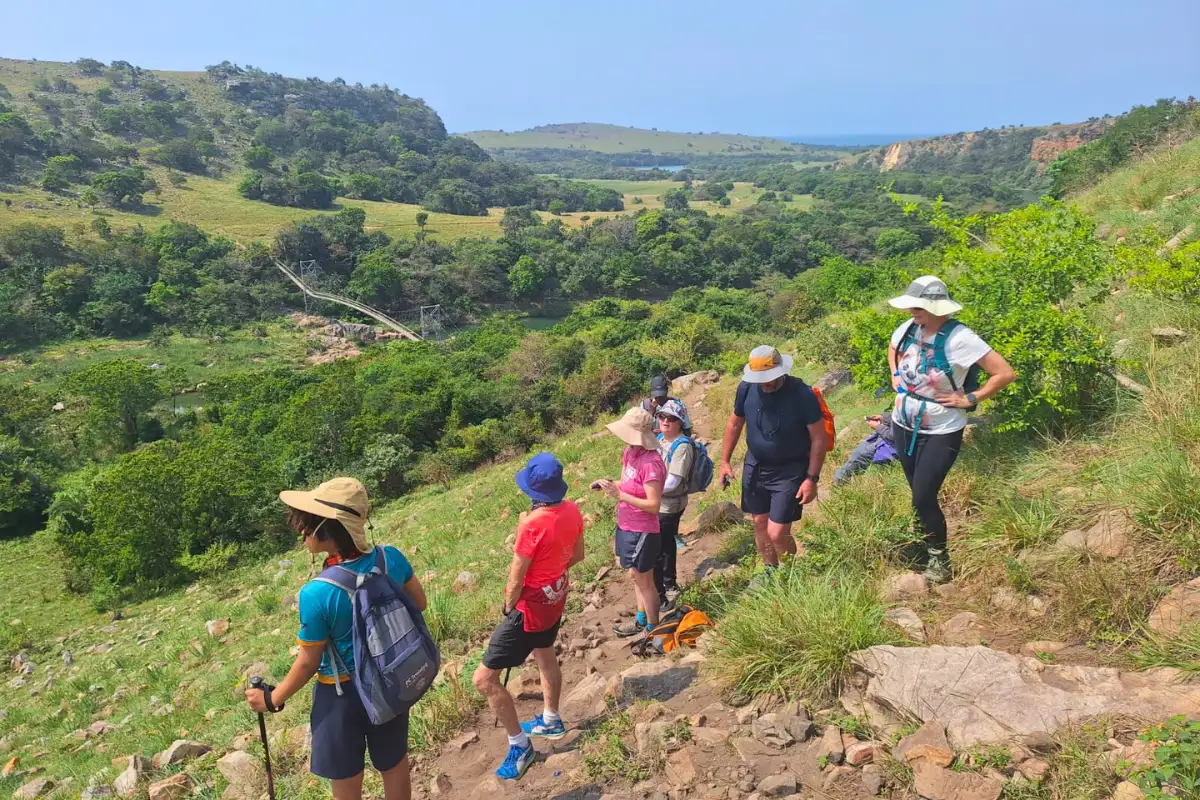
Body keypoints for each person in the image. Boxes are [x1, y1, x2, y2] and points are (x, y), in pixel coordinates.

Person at [245, 478, 427, 800]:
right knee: (394, 763)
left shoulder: (317, 593)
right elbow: (419, 604)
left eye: (306, 525)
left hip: (340, 696)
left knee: (345, 779)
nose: (301, 532)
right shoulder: (391, 558)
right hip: (390, 680)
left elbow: (308, 662)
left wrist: (273, 699)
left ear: (325, 529)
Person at [886, 275, 1015, 583]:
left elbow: (1004, 372)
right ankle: (922, 541)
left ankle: (939, 559)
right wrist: (894, 374)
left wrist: (969, 398)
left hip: (942, 427)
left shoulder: (960, 338)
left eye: (918, 306)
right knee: (916, 491)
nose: (911, 311)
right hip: (903, 422)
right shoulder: (909, 329)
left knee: (923, 495)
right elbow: (892, 348)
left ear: (935, 306)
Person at [472, 453, 585, 781]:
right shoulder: (573, 509)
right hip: (556, 595)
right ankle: (550, 718)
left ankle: (519, 745)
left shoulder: (531, 524)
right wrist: (551, 574)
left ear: (533, 491)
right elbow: (577, 555)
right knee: (545, 654)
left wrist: (509, 607)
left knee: (484, 679)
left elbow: (516, 578)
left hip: (530, 606)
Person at [718, 346, 829, 578]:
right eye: (760, 380)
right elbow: (735, 424)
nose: (764, 384)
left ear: (781, 371)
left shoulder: (801, 394)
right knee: (759, 522)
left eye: (768, 379)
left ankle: (790, 576)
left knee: (777, 532)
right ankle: (770, 571)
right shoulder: (747, 388)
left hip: (790, 469)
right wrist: (725, 461)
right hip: (756, 466)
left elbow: (819, 437)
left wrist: (812, 478)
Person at [594, 406, 666, 638]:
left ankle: (654, 630)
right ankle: (641, 620)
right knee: (634, 575)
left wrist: (619, 495)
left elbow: (654, 505)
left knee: (645, 580)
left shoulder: (651, 464)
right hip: (626, 524)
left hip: (643, 530)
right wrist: (607, 484)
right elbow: (627, 483)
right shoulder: (630, 453)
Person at [654, 399, 693, 612]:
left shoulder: (683, 446)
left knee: (660, 547)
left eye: (672, 418)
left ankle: (664, 590)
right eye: (662, 416)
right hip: (659, 502)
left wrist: (648, 491)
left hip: (669, 504)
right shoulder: (660, 439)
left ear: (680, 422)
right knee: (666, 543)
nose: (665, 421)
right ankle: (669, 583)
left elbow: (673, 481)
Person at [833, 410, 898, 485]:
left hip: (897, 444)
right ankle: (841, 478)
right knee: (861, 448)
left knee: (860, 453)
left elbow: (895, 435)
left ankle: (839, 481)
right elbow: (898, 422)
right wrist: (884, 417)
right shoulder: (908, 403)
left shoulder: (911, 405)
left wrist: (878, 427)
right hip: (889, 437)